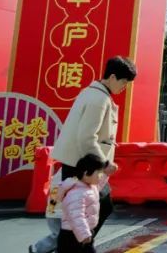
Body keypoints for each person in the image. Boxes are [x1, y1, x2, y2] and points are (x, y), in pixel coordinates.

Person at [31, 56, 136, 253]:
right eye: (123, 82)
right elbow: (87, 138)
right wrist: (105, 164)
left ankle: (78, 245)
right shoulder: (99, 100)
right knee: (81, 213)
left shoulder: (91, 92)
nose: (124, 88)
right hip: (82, 167)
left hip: (79, 164)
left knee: (88, 210)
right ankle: (79, 246)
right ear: (112, 77)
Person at [57, 154, 107, 253]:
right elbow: (76, 216)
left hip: (82, 233)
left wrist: (107, 174)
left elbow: (100, 185)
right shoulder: (77, 193)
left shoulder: (90, 186)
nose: (101, 176)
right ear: (86, 173)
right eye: (99, 173)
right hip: (72, 237)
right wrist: (84, 234)